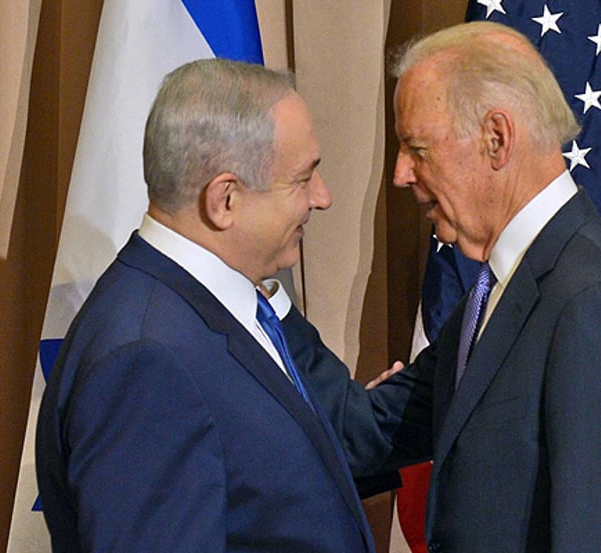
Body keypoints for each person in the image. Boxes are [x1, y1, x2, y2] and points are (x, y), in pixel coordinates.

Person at [287, 21, 601, 552]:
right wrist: (258, 283)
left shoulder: (598, 306)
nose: (401, 174)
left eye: (417, 148)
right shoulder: (504, 289)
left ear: (496, 140)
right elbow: (366, 431)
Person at [35, 59, 377, 552]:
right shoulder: (147, 360)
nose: (322, 198)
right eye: (303, 179)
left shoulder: (208, 310)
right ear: (225, 200)